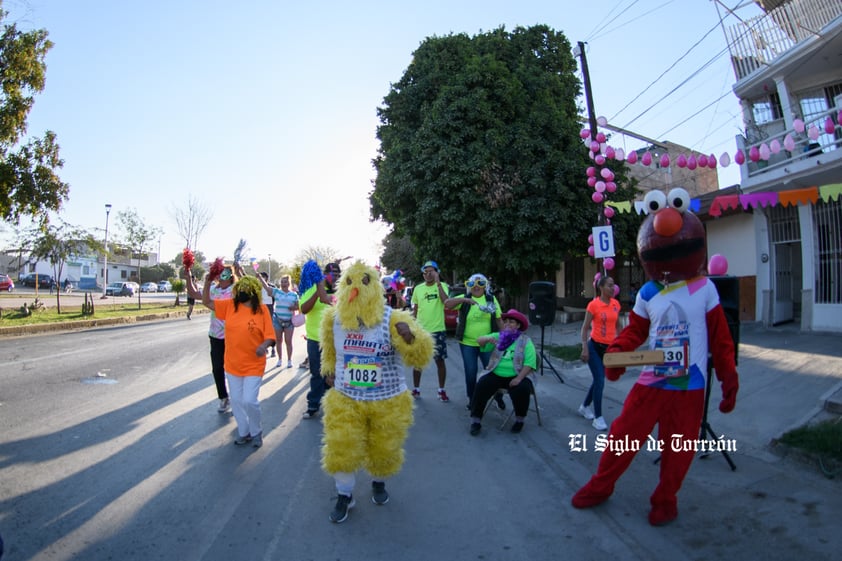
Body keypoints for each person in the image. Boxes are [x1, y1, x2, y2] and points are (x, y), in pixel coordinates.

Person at [571, 187, 739, 527]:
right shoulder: (648, 291)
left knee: (678, 451)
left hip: (689, 385)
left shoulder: (705, 288)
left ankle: (665, 500)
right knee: (622, 437)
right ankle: (601, 486)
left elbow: (721, 340)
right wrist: (618, 352)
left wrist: (728, 379)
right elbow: (635, 331)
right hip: (652, 380)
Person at [319, 261, 433, 523]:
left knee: (384, 448)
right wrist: (329, 370)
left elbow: (420, 358)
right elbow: (330, 352)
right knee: (341, 446)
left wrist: (411, 339)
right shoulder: (333, 320)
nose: (356, 289)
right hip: (346, 397)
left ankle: (379, 482)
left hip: (388, 398)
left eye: (364, 282)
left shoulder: (394, 319)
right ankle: (344, 494)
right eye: (349, 282)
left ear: (377, 289)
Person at [197, 267, 274, 447]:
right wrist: (208, 282)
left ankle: (256, 431)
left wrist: (263, 345)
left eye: (245, 291)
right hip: (233, 364)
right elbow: (206, 301)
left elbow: (270, 336)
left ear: (253, 293)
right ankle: (244, 431)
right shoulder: (230, 306)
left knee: (249, 400)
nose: (241, 294)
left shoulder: (261, 310)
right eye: (239, 291)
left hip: (254, 365)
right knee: (237, 401)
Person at [468, 308, 537, 435]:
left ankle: (519, 420)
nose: (507, 324)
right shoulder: (499, 336)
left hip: (517, 374)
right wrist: (486, 339)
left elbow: (530, 364)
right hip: (496, 373)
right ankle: (476, 420)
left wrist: (518, 378)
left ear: (518, 325)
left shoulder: (526, 341)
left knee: (522, 389)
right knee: (482, 385)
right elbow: (479, 340)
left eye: (511, 322)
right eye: (506, 322)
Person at [445, 273, 504, 409]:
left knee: (492, 372)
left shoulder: (491, 299)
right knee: (471, 373)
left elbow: (499, 319)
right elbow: (447, 304)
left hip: (488, 342)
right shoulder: (465, 299)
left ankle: (497, 395)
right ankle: (472, 399)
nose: (476, 287)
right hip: (468, 344)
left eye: (480, 284)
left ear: (485, 286)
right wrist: (464, 301)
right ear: (468, 286)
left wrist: (506, 339)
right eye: (472, 284)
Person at [186, 266, 236, 413]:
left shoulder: (235, 290)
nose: (220, 277)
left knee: (233, 368)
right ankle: (223, 397)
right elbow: (194, 294)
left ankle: (237, 397)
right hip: (215, 335)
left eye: (224, 274)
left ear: (230, 276)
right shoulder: (213, 289)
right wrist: (189, 276)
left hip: (233, 335)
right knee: (217, 368)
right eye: (218, 274)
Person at [578, 274, 622, 431]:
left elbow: (619, 326)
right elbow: (584, 328)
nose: (613, 288)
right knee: (600, 380)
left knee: (598, 381)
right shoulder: (593, 305)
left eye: (613, 285)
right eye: (609, 285)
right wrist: (584, 347)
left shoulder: (616, 304)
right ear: (601, 287)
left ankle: (584, 406)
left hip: (609, 349)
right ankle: (598, 417)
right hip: (594, 347)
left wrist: (621, 344)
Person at [409, 260, 450, 402]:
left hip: (438, 330)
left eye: (431, 271)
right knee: (418, 362)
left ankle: (441, 390)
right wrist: (412, 327)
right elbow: (415, 309)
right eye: (425, 272)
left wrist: (438, 282)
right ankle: (416, 389)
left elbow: (446, 301)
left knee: (440, 361)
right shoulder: (418, 289)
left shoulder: (443, 286)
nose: (428, 274)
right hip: (421, 331)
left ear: (437, 272)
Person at [298, 260, 334, 418]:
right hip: (315, 338)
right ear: (324, 274)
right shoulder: (311, 287)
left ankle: (332, 404)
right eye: (332, 272)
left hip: (336, 339)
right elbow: (304, 309)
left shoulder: (342, 290)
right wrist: (318, 291)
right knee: (317, 373)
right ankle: (313, 405)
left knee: (333, 373)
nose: (336, 275)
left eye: (338, 272)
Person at [257, 273, 299, 369]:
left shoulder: (294, 295)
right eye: (282, 282)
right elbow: (267, 288)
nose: (284, 284)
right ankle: (280, 359)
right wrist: (260, 279)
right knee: (278, 340)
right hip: (278, 320)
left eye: (286, 282)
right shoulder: (276, 292)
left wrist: (293, 307)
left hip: (289, 321)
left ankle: (289, 360)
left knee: (288, 341)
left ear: (289, 283)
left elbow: (298, 306)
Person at [259, 272, 276, 358]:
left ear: (266, 278)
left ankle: (273, 348)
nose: (261, 279)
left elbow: (275, 297)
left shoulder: (271, 286)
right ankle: (265, 347)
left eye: (263, 277)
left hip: (269, 308)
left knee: (270, 328)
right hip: (260, 308)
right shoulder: (257, 287)